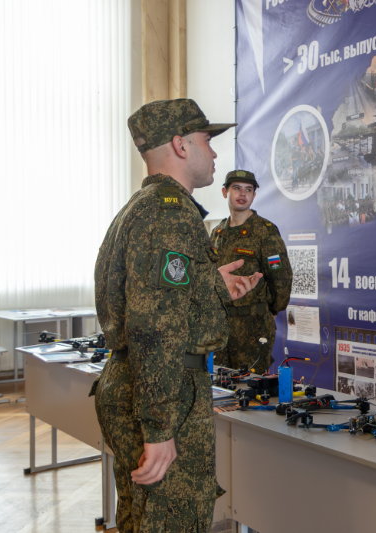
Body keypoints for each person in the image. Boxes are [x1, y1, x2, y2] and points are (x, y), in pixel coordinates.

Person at [93, 99, 264, 532]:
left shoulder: (143, 206)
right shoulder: (170, 214)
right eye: (207, 140)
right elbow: (154, 325)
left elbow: (154, 297)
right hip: (165, 392)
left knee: (143, 518)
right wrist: (160, 428)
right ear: (180, 145)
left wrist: (211, 285)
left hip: (140, 382)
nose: (214, 152)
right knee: (172, 520)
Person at [210, 170, 293, 373]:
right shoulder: (217, 232)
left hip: (252, 326)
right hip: (220, 326)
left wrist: (273, 309)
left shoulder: (265, 231)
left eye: (248, 190)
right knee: (220, 380)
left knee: (249, 383)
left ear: (254, 195)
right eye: (236, 188)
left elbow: (281, 278)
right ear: (225, 192)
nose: (242, 194)